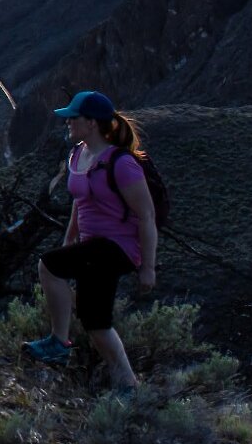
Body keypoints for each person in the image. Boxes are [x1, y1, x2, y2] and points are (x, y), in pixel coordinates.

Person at [23, 90, 160, 393]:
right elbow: (80, 201)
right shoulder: (78, 154)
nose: (68, 122)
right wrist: (71, 238)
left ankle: (58, 343)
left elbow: (147, 216)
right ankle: (128, 385)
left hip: (118, 247)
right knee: (95, 321)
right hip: (93, 245)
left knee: (49, 266)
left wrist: (148, 267)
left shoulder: (121, 164)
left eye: (74, 117)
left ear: (92, 123)